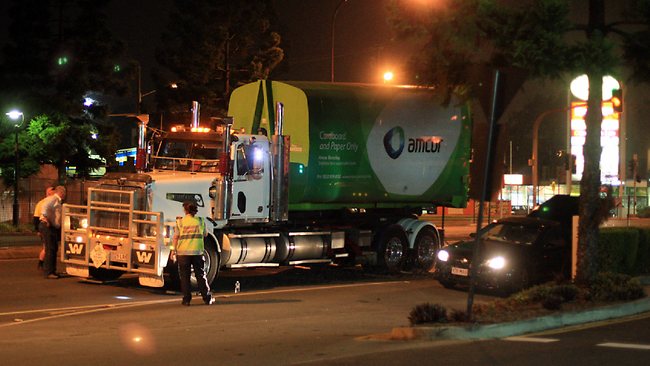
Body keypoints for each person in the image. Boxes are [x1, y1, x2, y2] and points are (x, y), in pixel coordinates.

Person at [172, 201, 214, 306]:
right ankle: (207, 298)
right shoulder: (200, 221)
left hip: (183, 253)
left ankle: (186, 300)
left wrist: (173, 250)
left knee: (185, 277)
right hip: (197, 252)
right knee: (200, 275)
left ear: (185, 210)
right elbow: (205, 234)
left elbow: (176, 237)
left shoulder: (180, 222)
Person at [39, 185, 66, 279]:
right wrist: (46, 219)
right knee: (50, 249)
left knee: (53, 248)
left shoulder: (57, 200)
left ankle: (52, 271)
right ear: (61, 192)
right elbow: (45, 207)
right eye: (64, 192)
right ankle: (49, 272)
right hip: (48, 226)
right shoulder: (53, 199)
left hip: (51, 226)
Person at [34, 185, 55, 270]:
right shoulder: (42, 203)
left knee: (46, 246)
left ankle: (42, 263)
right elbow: (36, 217)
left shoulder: (45, 202)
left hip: (45, 227)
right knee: (47, 247)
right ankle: (42, 263)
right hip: (45, 227)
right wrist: (38, 230)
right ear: (49, 193)